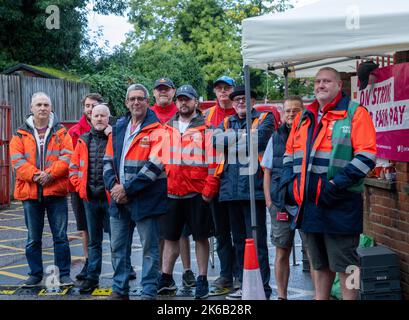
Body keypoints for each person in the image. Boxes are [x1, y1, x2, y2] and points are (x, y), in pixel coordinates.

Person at [281, 67, 377, 300]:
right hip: (310, 205)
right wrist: (288, 187)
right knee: (319, 264)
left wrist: (334, 186)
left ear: (338, 86)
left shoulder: (355, 113)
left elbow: (367, 157)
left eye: (326, 81)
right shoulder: (304, 117)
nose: (320, 85)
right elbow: (288, 154)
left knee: (349, 265)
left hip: (341, 204)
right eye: (317, 82)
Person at [103, 84, 167, 300]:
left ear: (147, 102)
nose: (136, 102)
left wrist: (127, 189)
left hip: (146, 199)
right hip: (119, 199)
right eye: (132, 99)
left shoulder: (159, 129)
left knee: (150, 250)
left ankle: (149, 291)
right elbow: (107, 160)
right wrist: (114, 187)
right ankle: (120, 289)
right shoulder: (119, 127)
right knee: (117, 248)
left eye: (140, 98)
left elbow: (155, 166)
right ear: (126, 102)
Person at [213, 85, 275, 299]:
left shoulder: (265, 118)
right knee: (239, 242)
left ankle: (263, 287)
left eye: (244, 98)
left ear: (253, 100)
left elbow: (258, 140)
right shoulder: (225, 121)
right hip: (230, 190)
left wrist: (234, 140)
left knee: (257, 243)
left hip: (253, 191)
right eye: (236, 99)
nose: (240, 102)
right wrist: (244, 138)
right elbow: (215, 142)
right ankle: (242, 284)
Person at [158, 85, 219, 299]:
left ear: (196, 102)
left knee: (201, 238)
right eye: (181, 99)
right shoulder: (167, 128)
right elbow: (159, 160)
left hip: (196, 193)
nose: (183, 103)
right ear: (177, 102)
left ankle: (202, 279)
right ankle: (166, 277)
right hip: (172, 192)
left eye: (188, 99)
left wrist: (209, 190)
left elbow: (215, 162)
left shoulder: (207, 128)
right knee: (170, 238)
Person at [10, 92, 73, 286]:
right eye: (38, 105)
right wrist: (38, 175)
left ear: (51, 108)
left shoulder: (62, 132)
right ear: (31, 108)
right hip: (30, 193)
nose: (43, 108)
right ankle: (35, 274)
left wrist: (50, 175)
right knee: (32, 238)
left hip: (56, 192)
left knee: (61, 237)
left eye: (46, 104)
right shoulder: (19, 134)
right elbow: (17, 162)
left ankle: (63, 274)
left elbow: (67, 156)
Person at [150, 77, 195, 287]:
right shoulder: (149, 113)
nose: (163, 93)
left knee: (183, 232)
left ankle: (187, 271)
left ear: (173, 93)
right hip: (156, 180)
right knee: (163, 233)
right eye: (159, 90)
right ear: (154, 92)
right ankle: (162, 274)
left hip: (180, 181)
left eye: (166, 90)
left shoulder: (179, 114)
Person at [261, 96, 306, 300]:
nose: (291, 114)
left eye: (295, 110)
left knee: (314, 254)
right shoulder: (275, 137)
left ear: (303, 112)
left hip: (305, 203)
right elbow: (267, 171)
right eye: (287, 110)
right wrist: (269, 202)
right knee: (282, 253)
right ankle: (282, 296)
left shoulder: (310, 134)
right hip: (280, 204)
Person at [69, 104, 112, 293]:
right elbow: (73, 168)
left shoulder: (116, 138)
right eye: (96, 116)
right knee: (94, 242)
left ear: (108, 118)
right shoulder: (83, 140)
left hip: (112, 200)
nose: (100, 119)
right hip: (90, 200)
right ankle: (92, 278)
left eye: (103, 115)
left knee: (119, 241)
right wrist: (80, 187)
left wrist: (113, 135)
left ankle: (122, 277)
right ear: (91, 118)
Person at [204, 76, 240, 291]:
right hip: (214, 182)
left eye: (227, 88)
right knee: (220, 232)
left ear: (233, 90)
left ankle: (239, 274)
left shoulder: (239, 112)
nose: (223, 91)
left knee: (239, 232)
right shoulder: (207, 114)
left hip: (236, 181)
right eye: (219, 88)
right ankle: (226, 274)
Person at [67, 93, 103, 281]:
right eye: (88, 105)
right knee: (85, 228)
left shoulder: (110, 129)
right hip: (81, 189)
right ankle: (89, 262)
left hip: (103, 189)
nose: (90, 109)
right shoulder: (75, 131)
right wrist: (77, 184)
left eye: (94, 105)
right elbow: (71, 161)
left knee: (113, 228)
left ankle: (123, 264)